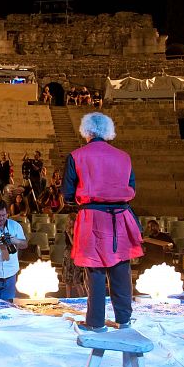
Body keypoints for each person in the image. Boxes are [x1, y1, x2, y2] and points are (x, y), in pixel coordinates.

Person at [62, 112, 143, 332]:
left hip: (92, 218)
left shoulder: (76, 155)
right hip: (120, 217)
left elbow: (68, 193)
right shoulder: (124, 156)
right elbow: (132, 187)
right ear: (108, 131)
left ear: (86, 130)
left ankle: (96, 323)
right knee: (120, 269)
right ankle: (124, 320)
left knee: (95, 271)